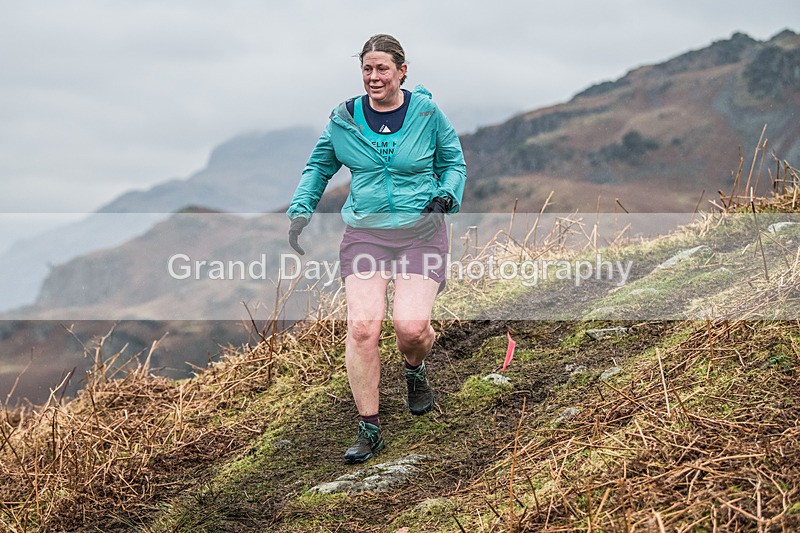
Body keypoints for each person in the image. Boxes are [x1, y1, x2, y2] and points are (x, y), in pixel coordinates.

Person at [286, 34, 466, 464]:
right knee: (364, 328)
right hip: (366, 233)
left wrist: (445, 197)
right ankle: (369, 428)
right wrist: (300, 210)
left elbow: (453, 162)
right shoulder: (345, 119)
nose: (374, 76)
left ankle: (415, 369)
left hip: (421, 231)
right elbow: (319, 166)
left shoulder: (426, 112)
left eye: (382, 68)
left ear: (402, 71)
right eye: (367, 68)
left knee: (411, 329)